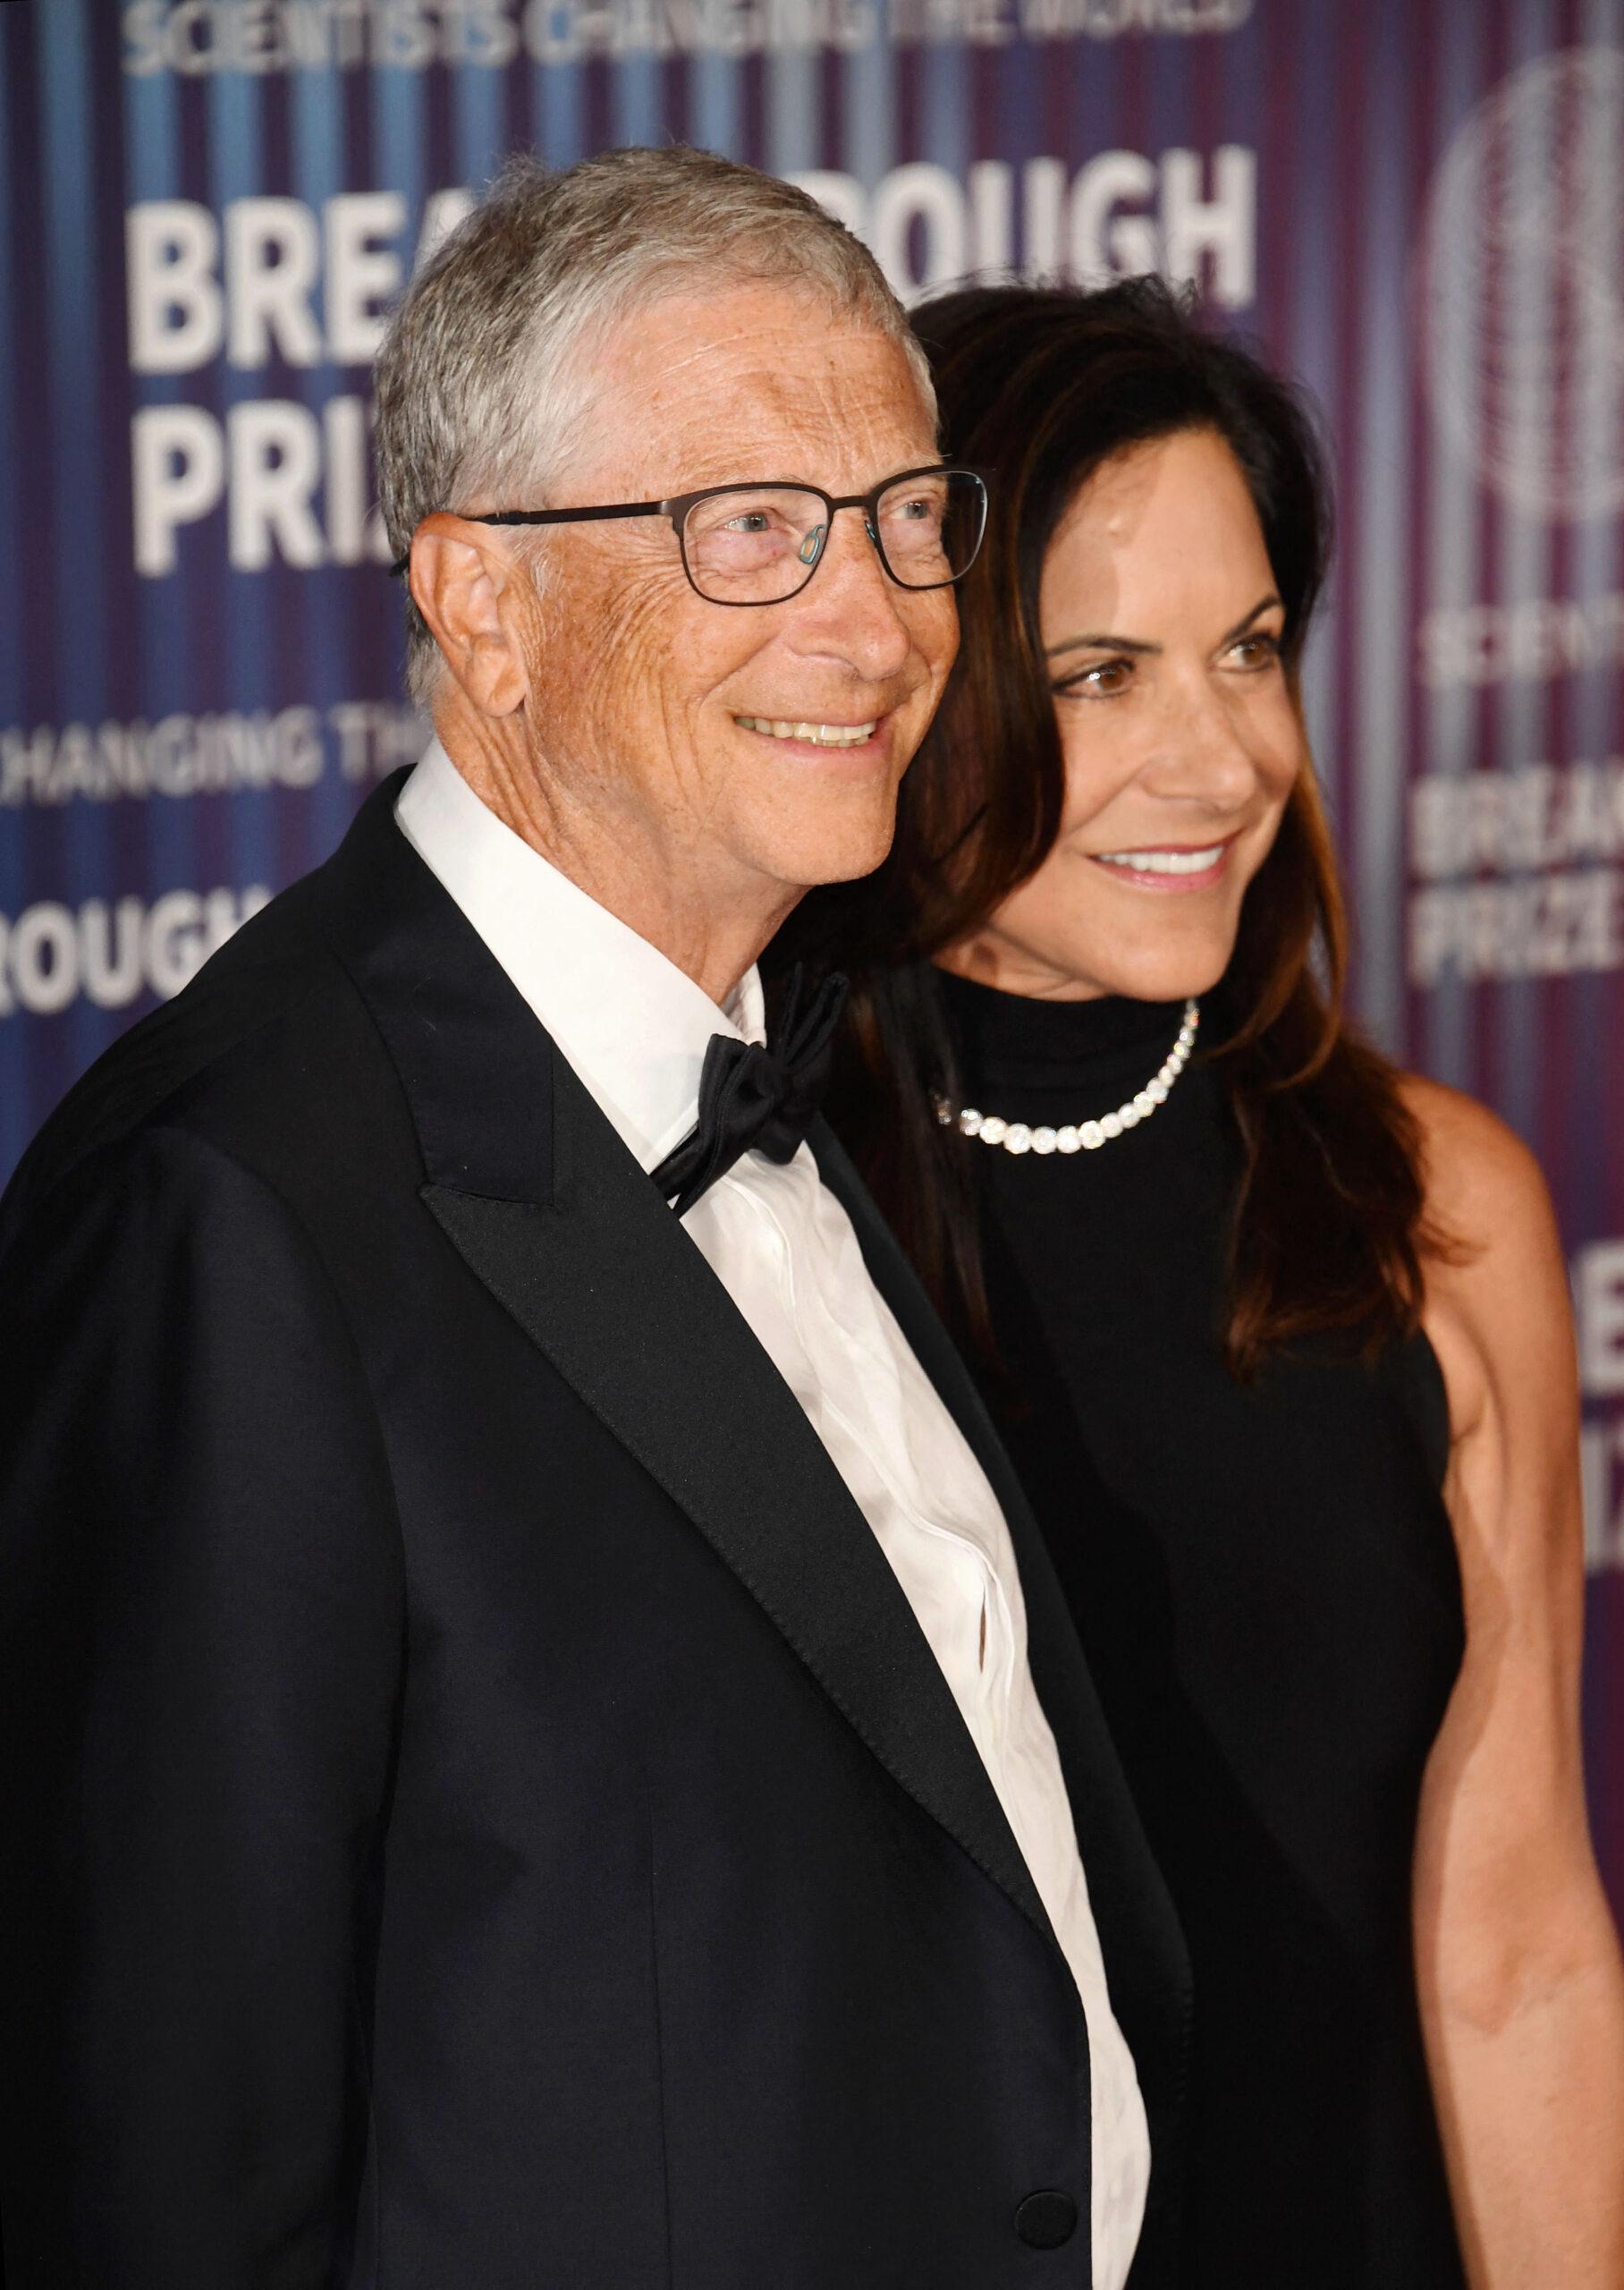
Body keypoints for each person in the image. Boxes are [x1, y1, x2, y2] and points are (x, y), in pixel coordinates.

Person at [0, 155, 1189, 2290]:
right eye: (750, 528)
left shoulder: (776, 1066)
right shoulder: (225, 1214)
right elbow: (156, 2176)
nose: (878, 618)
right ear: (481, 605)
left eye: (910, 513)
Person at [782, 279, 1624, 2287]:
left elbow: (1507, 1953)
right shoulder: (746, 1223)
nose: (1222, 755)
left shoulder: (1429, 1210)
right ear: (904, 678)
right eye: (1095, 674)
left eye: (1248, 649)